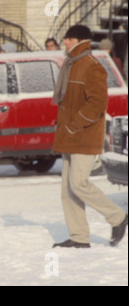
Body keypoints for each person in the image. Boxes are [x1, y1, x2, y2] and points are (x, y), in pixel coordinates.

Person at [51, 25, 128, 249]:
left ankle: (118, 217)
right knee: (67, 190)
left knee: (79, 184)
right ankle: (79, 237)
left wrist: (75, 124)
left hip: (83, 136)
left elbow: (97, 105)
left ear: (82, 41)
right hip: (69, 136)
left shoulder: (91, 67)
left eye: (69, 38)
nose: (65, 42)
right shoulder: (71, 64)